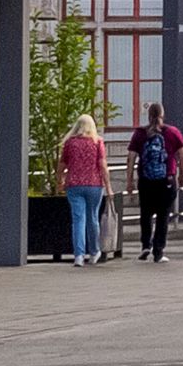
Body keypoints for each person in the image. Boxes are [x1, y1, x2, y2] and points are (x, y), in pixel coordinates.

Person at [130, 108, 183, 263]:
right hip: (166, 180)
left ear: (148, 116)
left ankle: (145, 245)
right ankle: (158, 251)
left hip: (145, 180)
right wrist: (182, 176)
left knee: (145, 213)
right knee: (163, 216)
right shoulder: (172, 132)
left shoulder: (140, 133)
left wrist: (129, 180)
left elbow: (131, 157)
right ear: (163, 115)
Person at [56, 113, 107, 267]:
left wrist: (59, 180)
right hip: (94, 185)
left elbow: (62, 165)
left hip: (74, 185)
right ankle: (94, 252)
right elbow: (102, 166)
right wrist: (108, 186)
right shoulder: (97, 142)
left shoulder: (70, 143)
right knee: (93, 218)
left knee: (78, 220)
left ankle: (78, 255)